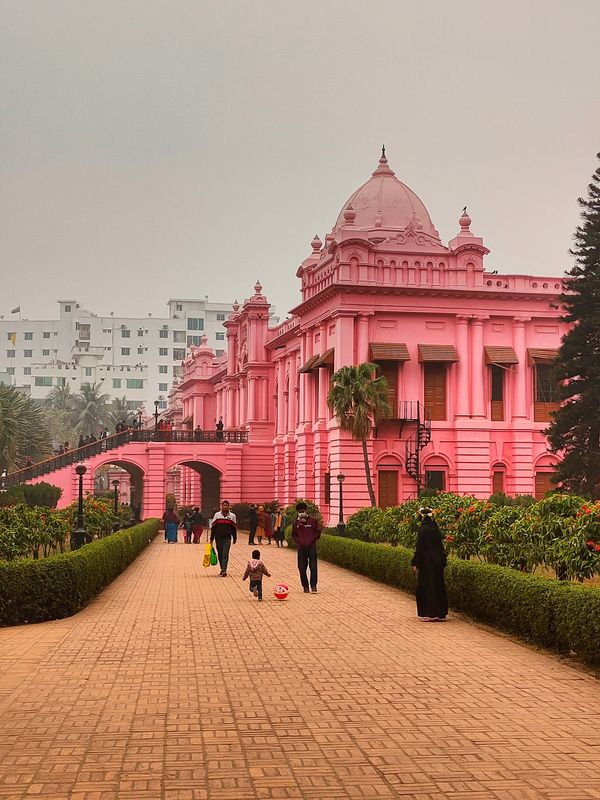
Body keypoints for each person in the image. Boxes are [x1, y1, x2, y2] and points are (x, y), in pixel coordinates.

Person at [411, 507, 448, 621]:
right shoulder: (435, 528)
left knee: (427, 587)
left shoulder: (423, 529)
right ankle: (440, 612)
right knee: (438, 586)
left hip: (427, 563)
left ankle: (430, 613)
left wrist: (415, 563)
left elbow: (420, 548)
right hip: (437, 562)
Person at [291, 502, 321, 593]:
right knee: (302, 568)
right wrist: (298, 541)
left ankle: (313, 585)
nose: (301, 513)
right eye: (299, 512)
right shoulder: (296, 522)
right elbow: (294, 534)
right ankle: (305, 586)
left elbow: (318, 532)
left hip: (311, 547)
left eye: (302, 511)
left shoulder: (312, 521)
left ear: (306, 511)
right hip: (301, 548)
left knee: (313, 567)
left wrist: (311, 540)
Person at [210, 500, 237, 576]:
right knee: (220, 553)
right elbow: (214, 527)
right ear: (222, 506)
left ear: (229, 506)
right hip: (218, 538)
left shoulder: (232, 516)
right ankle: (222, 568)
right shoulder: (217, 515)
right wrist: (211, 539)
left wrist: (235, 538)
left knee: (225, 553)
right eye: (224, 505)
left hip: (227, 538)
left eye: (226, 505)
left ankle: (224, 569)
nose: (225, 506)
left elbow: (234, 528)